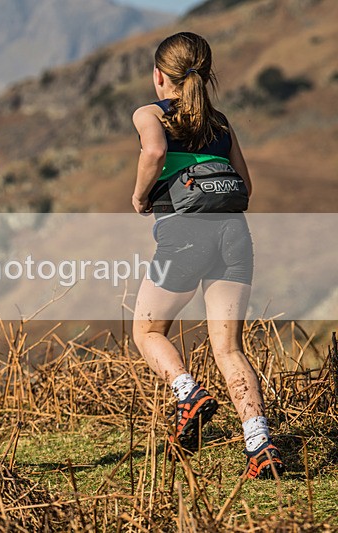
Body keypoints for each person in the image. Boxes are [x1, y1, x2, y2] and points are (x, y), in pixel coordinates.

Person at [130, 32, 283, 479]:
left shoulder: (151, 112)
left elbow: (154, 150)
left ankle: (188, 393)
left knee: (147, 329)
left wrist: (140, 197)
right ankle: (260, 445)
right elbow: (247, 187)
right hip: (234, 235)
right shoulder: (221, 122)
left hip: (185, 234)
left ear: (159, 75)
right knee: (229, 347)